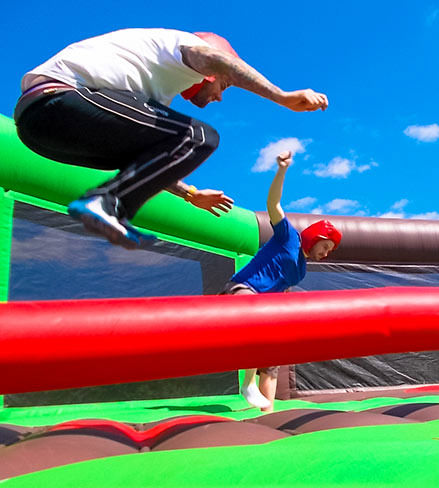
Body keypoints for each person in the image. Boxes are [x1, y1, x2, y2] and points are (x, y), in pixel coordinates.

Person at [14, 29, 328, 249]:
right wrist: (281, 96)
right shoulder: (183, 47)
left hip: (35, 129)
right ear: (212, 74)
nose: (219, 97)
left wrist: (189, 194)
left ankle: (107, 203)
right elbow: (213, 58)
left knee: (155, 147)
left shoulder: (149, 92)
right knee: (200, 136)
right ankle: (105, 203)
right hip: (59, 98)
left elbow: (145, 162)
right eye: (224, 86)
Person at [220, 150, 341, 411]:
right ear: (315, 238)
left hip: (263, 308)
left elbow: (283, 294)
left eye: (330, 250)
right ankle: (247, 384)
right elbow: (273, 204)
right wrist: (282, 169)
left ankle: (267, 413)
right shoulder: (288, 237)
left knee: (273, 358)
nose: (326, 253)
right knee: (258, 317)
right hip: (241, 290)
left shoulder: (301, 271)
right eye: (326, 246)